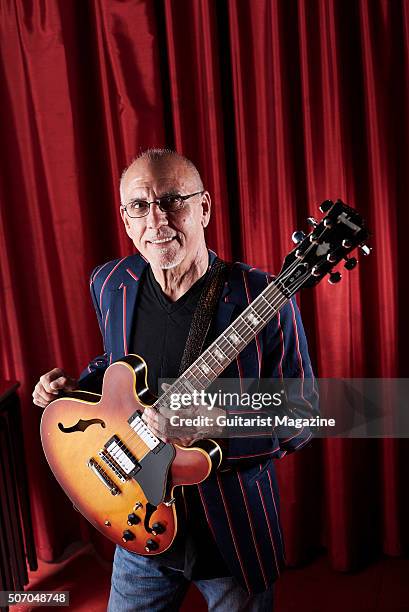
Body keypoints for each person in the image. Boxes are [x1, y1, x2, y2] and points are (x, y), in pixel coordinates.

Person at [33, 149, 318, 612]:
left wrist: (220, 423)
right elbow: (113, 367)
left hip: (232, 535)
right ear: (125, 218)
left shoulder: (264, 299)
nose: (157, 220)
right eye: (140, 206)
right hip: (135, 519)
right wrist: (73, 393)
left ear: (204, 207)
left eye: (172, 201)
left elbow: (304, 415)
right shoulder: (111, 283)